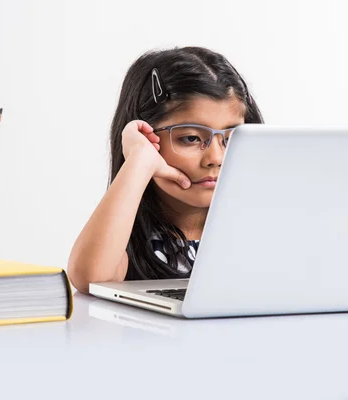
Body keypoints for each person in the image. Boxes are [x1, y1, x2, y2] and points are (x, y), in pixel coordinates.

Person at [68, 46, 264, 293]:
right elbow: (90, 278)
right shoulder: (129, 243)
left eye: (232, 137)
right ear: (149, 138)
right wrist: (139, 160)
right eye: (191, 138)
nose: (216, 157)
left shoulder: (257, 232)